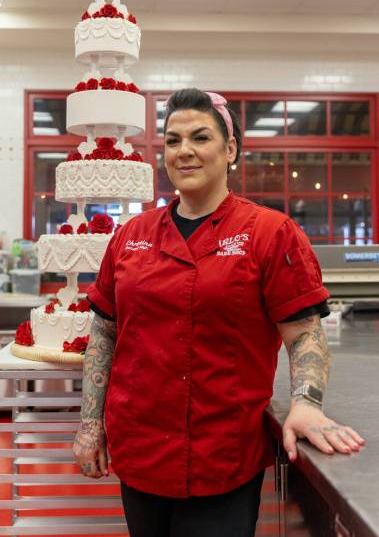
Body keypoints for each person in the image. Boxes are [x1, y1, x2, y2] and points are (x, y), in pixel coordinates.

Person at [73, 88, 365, 537]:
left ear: (230, 150)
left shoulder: (270, 233)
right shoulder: (132, 234)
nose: (184, 151)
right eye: (172, 140)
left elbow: (305, 332)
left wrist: (306, 403)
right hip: (139, 449)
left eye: (200, 137)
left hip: (223, 456)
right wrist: (91, 422)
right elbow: (105, 330)